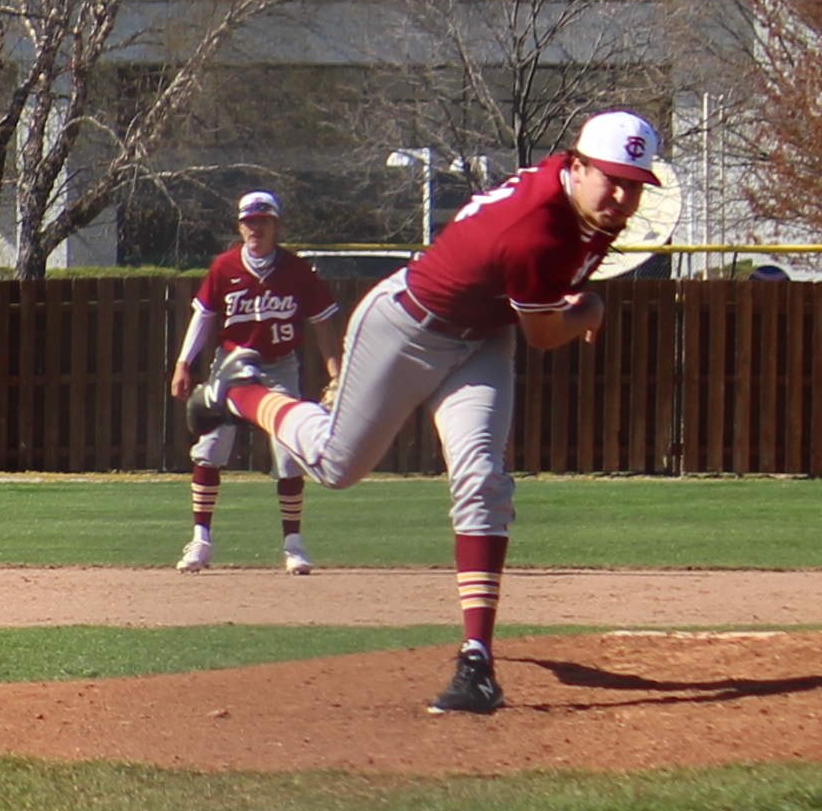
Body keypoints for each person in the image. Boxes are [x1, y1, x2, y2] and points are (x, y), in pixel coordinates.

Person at [212, 108, 665, 717]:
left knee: (482, 478)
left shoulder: (584, 201)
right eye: (612, 179)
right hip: (406, 327)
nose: (623, 196)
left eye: (634, 184)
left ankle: (476, 661)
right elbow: (544, 335)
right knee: (335, 465)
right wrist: (590, 310)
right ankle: (238, 391)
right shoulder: (536, 229)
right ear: (577, 167)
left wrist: (574, 297)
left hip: (483, 338)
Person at [165, 188, 324, 574]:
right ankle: (201, 540)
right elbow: (204, 316)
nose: (256, 227)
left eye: (264, 220)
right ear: (240, 227)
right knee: (210, 446)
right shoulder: (224, 266)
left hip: (279, 365)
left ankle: (293, 544)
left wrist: (335, 371)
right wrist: (183, 363)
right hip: (231, 365)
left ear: (276, 225)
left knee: (289, 451)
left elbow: (323, 318)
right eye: (250, 221)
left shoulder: (295, 269)